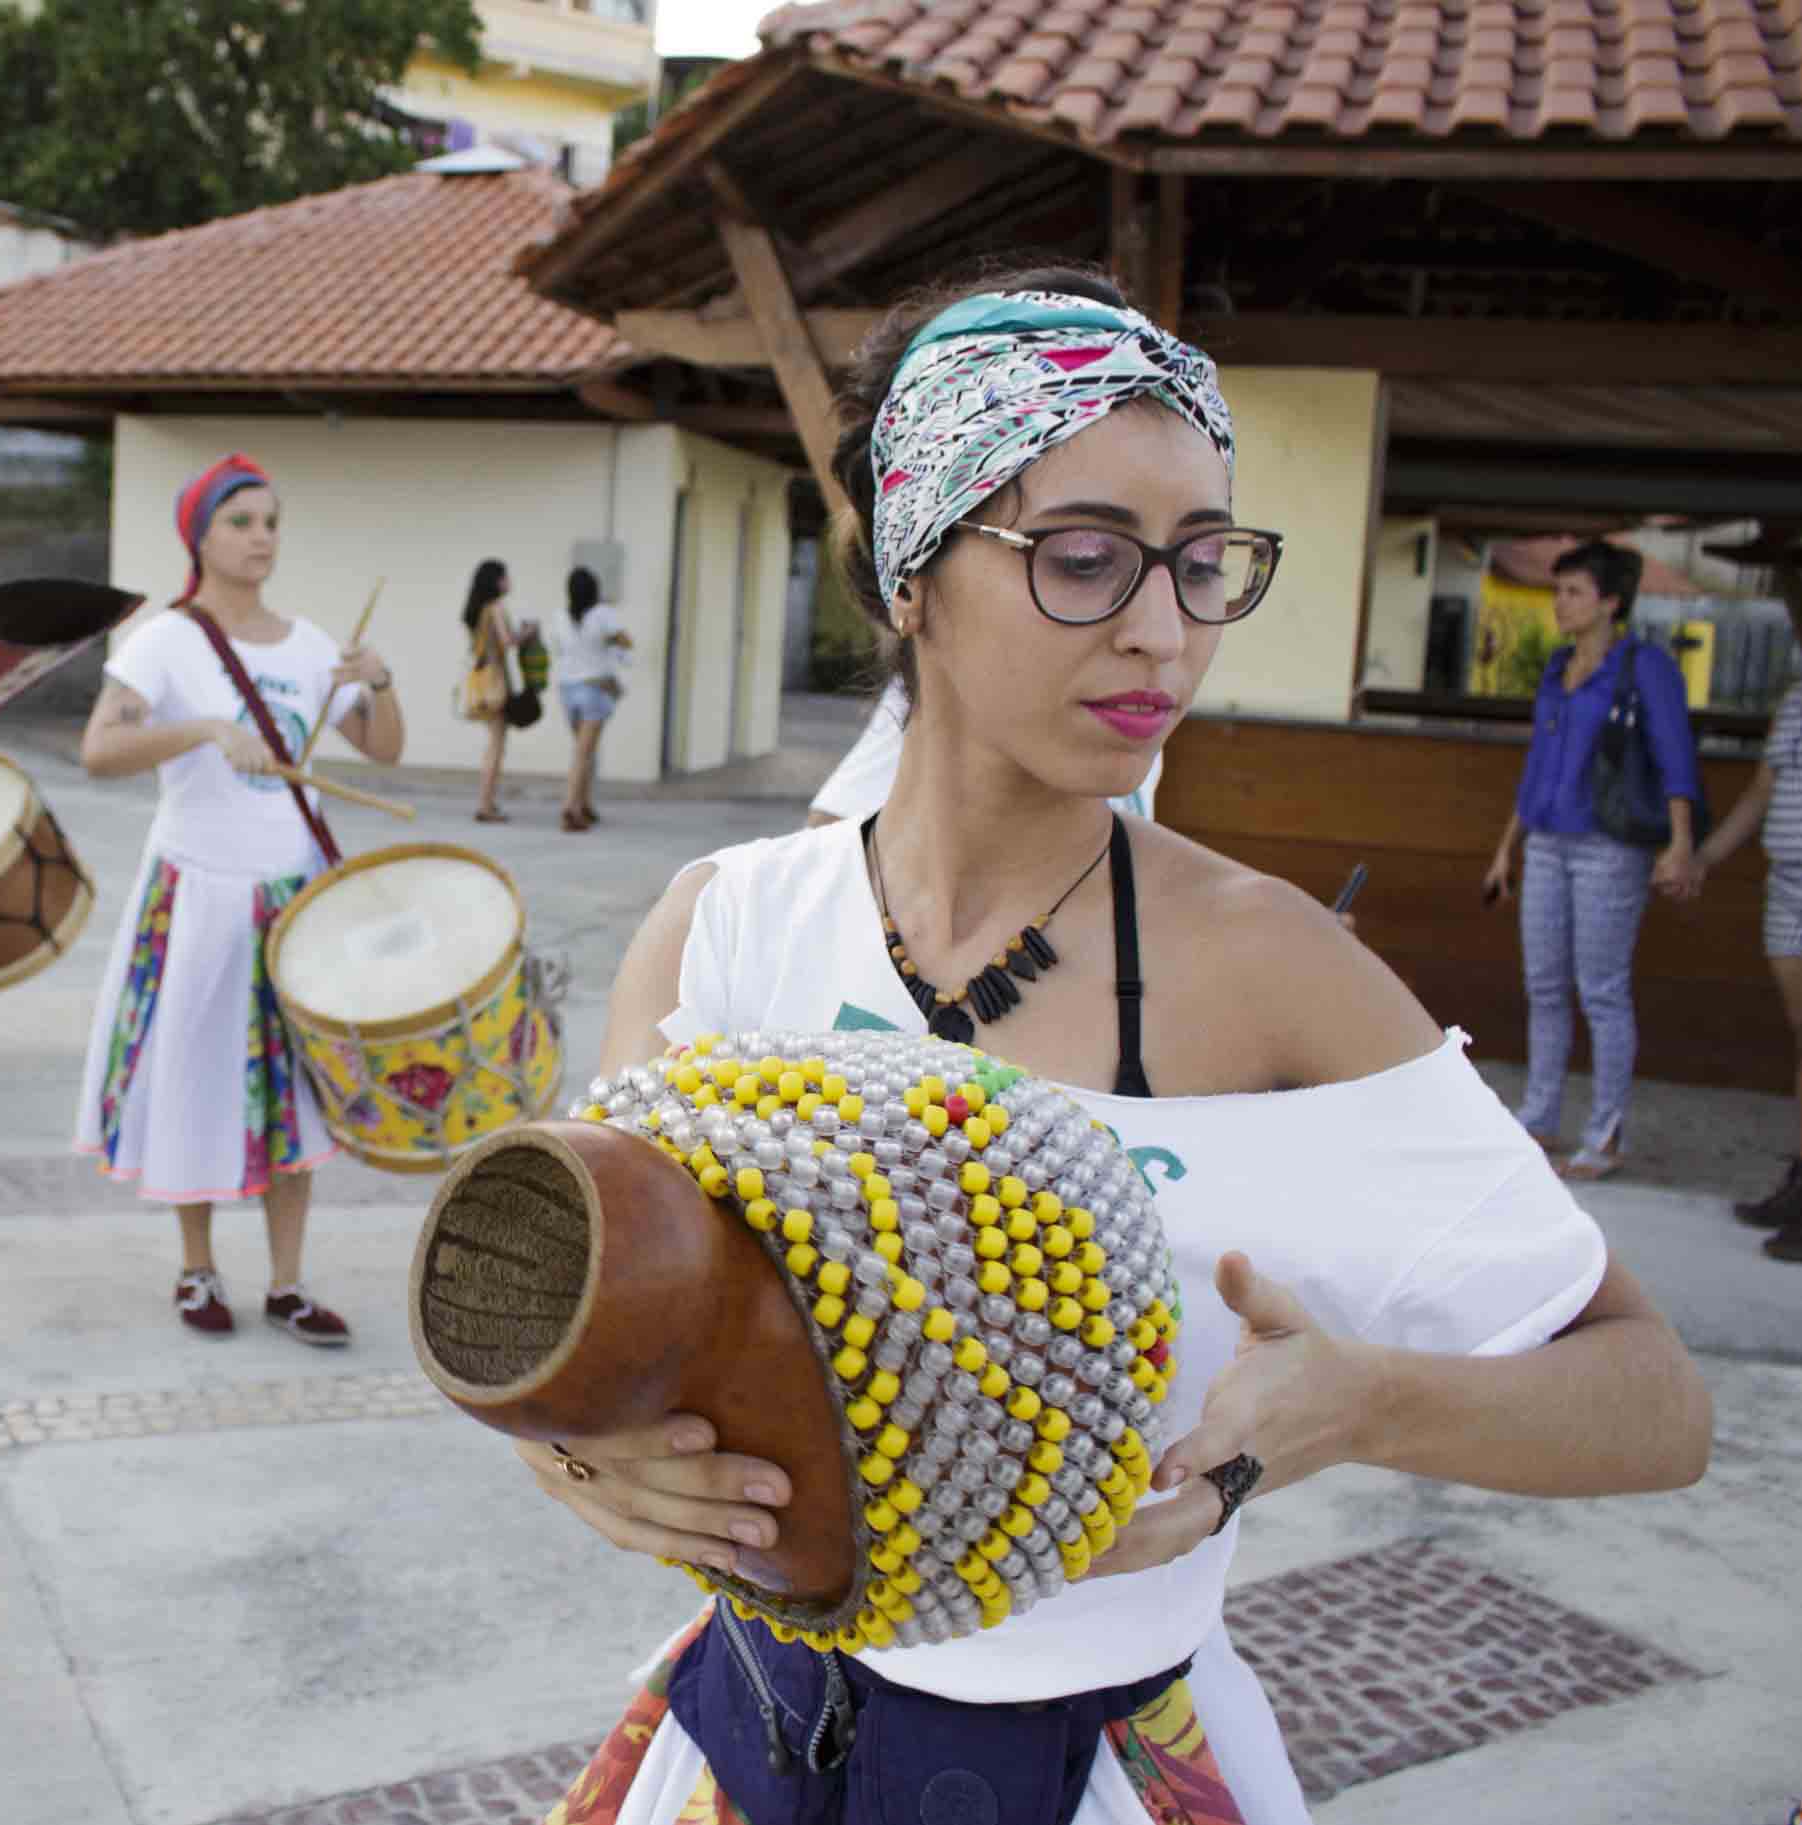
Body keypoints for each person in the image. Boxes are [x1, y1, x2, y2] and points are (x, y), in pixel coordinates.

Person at [512, 268, 1709, 1824]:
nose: (1162, 632)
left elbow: (1652, 1403)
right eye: (1083, 559)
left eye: (1204, 564)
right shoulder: (727, 928)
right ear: (910, 571)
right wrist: (588, 1465)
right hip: (748, 1740)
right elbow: (577, 1328)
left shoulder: (1272, 968)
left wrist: (1349, 1401)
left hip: (1090, 1769)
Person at [73, 453, 404, 1343]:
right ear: (201, 537)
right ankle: (197, 1269)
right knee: (195, 1074)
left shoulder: (309, 644)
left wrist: (378, 681)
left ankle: (288, 1283)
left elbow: (383, 750)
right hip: (198, 893)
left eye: (271, 521)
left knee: (296, 1091)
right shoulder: (164, 641)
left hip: (294, 896)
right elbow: (99, 749)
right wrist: (206, 730)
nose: (262, 537)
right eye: (241, 521)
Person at [1481, 540, 1703, 1182]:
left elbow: (1675, 756)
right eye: (1559, 591)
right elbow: (1538, 765)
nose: (1560, 603)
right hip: (1547, 843)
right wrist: (1506, 848)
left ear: (1610, 602)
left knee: (1601, 990)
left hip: (1610, 847)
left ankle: (1605, 1134)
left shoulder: (1646, 668)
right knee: (1545, 986)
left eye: (1574, 592)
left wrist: (1681, 843)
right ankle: (1541, 1116)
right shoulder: (1558, 667)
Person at [1692, 560, 1802, 1261]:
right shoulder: (1796, 701)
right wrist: (1704, 857)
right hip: (1788, 883)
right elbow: (1763, 790)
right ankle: (1800, 1181)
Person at [809, 681, 1162, 828]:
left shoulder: (1135, 715)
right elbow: (832, 822)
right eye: (1081, 563)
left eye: (1190, 570)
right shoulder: (942, 689)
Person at [553, 564, 630, 833]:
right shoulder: (602, 614)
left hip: (567, 689)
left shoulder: (560, 617)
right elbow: (626, 641)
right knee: (583, 753)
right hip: (594, 689)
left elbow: (559, 650)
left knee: (583, 751)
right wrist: (608, 642)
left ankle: (585, 804)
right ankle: (570, 807)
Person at [460, 557, 529, 823]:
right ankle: (485, 805)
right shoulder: (496, 607)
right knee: (496, 746)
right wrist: (527, 633)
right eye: (505, 576)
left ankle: (487, 802)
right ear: (496, 581)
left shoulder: (478, 610)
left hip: (481, 681)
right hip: (495, 683)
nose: (509, 581)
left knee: (493, 743)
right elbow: (507, 641)